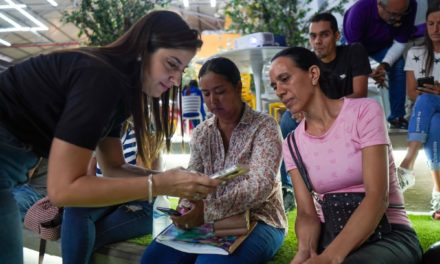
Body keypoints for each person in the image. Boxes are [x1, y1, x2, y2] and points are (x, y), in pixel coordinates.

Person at [0, 10, 219, 263]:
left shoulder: (119, 91)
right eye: (171, 64)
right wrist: (161, 185)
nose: (177, 79)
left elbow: (114, 167)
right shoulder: (100, 79)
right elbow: (63, 190)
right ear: (141, 50)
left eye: (182, 69)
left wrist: (171, 180)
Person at [269, 47, 422, 263]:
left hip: (387, 234)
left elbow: (378, 197)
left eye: (285, 79)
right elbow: (306, 213)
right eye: (275, 86)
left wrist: (330, 258)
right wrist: (305, 252)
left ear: (313, 74)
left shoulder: (364, 112)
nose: (279, 91)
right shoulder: (292, 143)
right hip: (330, 237)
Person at [141, 57, 287, 264]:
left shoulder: (265, 127)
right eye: (206, 94)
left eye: (220, 92)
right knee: (153, 259)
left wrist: (207, 212)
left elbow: (260, 186)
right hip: (207, 220)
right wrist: (184, 209)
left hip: (261, 220)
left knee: (209, 263)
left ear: (238, 88)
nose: (212, 101)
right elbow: (193, 177)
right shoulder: (202, 133)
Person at [278, 12, 372, 211]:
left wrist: (327, 108)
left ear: (337, 36)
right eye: (313, 36)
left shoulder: (354, 52)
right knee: (287, 120)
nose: (318, 41)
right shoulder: (308, 63)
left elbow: (360, 93)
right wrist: (302, 110)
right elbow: (302, 97)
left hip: (350, 116)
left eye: (324, 35)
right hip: (318, 119)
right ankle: (288, 188)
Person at [61, 122, 155, 264]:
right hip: (110, 198)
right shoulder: (103, 132)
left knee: (81, 239)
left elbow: (143, 191)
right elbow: (89, 176)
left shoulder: (142, 132)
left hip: (142, 204)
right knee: (75, 210)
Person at [343, 0, 418, 129]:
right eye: (394, 14)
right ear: (379, 4)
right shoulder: (358, 12)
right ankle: (351, 121)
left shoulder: (410, 5)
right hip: (354, 45)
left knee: (398, 64)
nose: (398, 19)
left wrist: (384, 65)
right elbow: (354, 52)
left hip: (382, 43)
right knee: (352, 76)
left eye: (402, 14)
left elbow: (400, 43)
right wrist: (368, 72)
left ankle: (396, 116)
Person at [397, 2, 440, 218]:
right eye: (431, 23)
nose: (435, 29)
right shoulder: (417, 52)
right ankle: (439, 195)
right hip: (431, 113)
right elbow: (412, 92)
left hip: (432, 104)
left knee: (427, 100)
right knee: (434, 124)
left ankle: (409, 161)